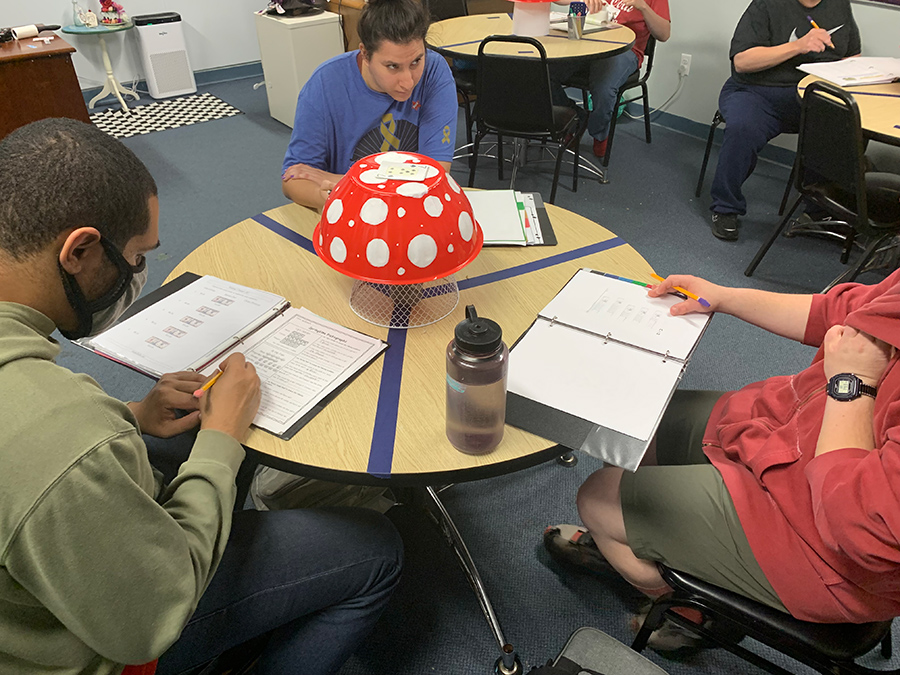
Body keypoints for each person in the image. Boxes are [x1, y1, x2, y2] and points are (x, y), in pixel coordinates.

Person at [0, 118, 403, 675]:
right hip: (106, 647)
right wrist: (219, 440)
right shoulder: (64, 440)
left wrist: (130, 415)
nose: (140, 272)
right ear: (81, 250)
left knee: (198, 449)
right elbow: (147, 624)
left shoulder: (57, 418)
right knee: (377, 548)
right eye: (137, 258)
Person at [545, 270, 900, 651]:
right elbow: (846, 311)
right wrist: (723, 296)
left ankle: (691, 614)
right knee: (632, 432)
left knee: (596, 500)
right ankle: (655, 546)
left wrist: (851, 379)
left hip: (825, 547)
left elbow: (857, 525)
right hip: (788, 433)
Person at [281, 0, 458, 210]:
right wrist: (334, 199)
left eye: (416, 62)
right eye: (393, 66)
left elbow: (435, 174)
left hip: (411, 212)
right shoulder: (324, 84)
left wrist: (342, 182)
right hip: (349, 215)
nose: (408, 81)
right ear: (365, 54)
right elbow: (293, 179)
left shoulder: (434, 70)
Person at [708, 0, 860, 241]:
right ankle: (725, 207)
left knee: (843, 126)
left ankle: (819, 210)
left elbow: (852, 56)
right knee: (743, 127)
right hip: (756, 91)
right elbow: (743, 61)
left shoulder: (839, 5)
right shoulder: (766, 4)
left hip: (812, 95)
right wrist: (798, 46)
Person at [550, 0, 671, 159]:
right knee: (545, 71)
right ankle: (576, 118)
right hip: (588, 43)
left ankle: (599, 133)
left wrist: (642, 6)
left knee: (604, 89)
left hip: (625, 51)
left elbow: (664, 34)